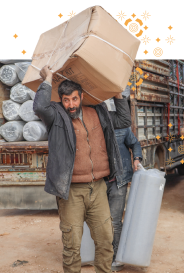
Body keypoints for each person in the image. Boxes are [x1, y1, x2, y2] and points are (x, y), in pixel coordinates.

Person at [33, 66, 131, 273]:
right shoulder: (56, 117)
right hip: (71, 192)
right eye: (66, 100)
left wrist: (117, 93)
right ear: (61, 100)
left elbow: (124, 120)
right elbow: (40, 107)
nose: (71, 104)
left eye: (74, 99)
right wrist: (48, 78)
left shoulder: (97, 112)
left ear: (82, 97)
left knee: (106, 240)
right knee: (72, 246)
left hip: (98, 189)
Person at [107, 127, 142, 271]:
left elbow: (135, 144)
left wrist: (136, 158)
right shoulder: (91, 125)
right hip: (97, 182)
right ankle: (102, 255)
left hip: (118, 181)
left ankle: (117, 257)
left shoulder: (122, 128)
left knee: (114, 220)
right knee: (97, 221)